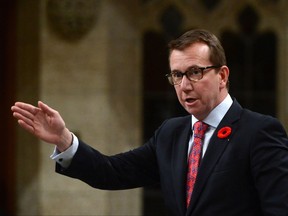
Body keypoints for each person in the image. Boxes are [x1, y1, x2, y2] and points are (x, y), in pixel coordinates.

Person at [11, 29, 288, 216]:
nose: (184, 85)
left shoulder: (259, 132)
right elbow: (112, 172)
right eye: (177, 75)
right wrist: (65, 141)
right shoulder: (171, 134)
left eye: (195, 72)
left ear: (223, 76)